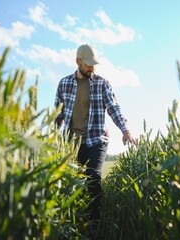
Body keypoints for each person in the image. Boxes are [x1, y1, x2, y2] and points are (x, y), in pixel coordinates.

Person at [54, 44, 136, 236]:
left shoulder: (102, 84)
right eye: (88, 64)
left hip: (97, 139)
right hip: (72, 142)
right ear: (78, 62)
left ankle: (95, 224)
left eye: (94, 64)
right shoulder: (63, 84)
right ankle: (77, 221)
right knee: (74, 182)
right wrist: (56, 135)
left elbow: (114, 108)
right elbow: (57, 114)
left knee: (93, 175)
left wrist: (125, 130)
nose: (92, 68)